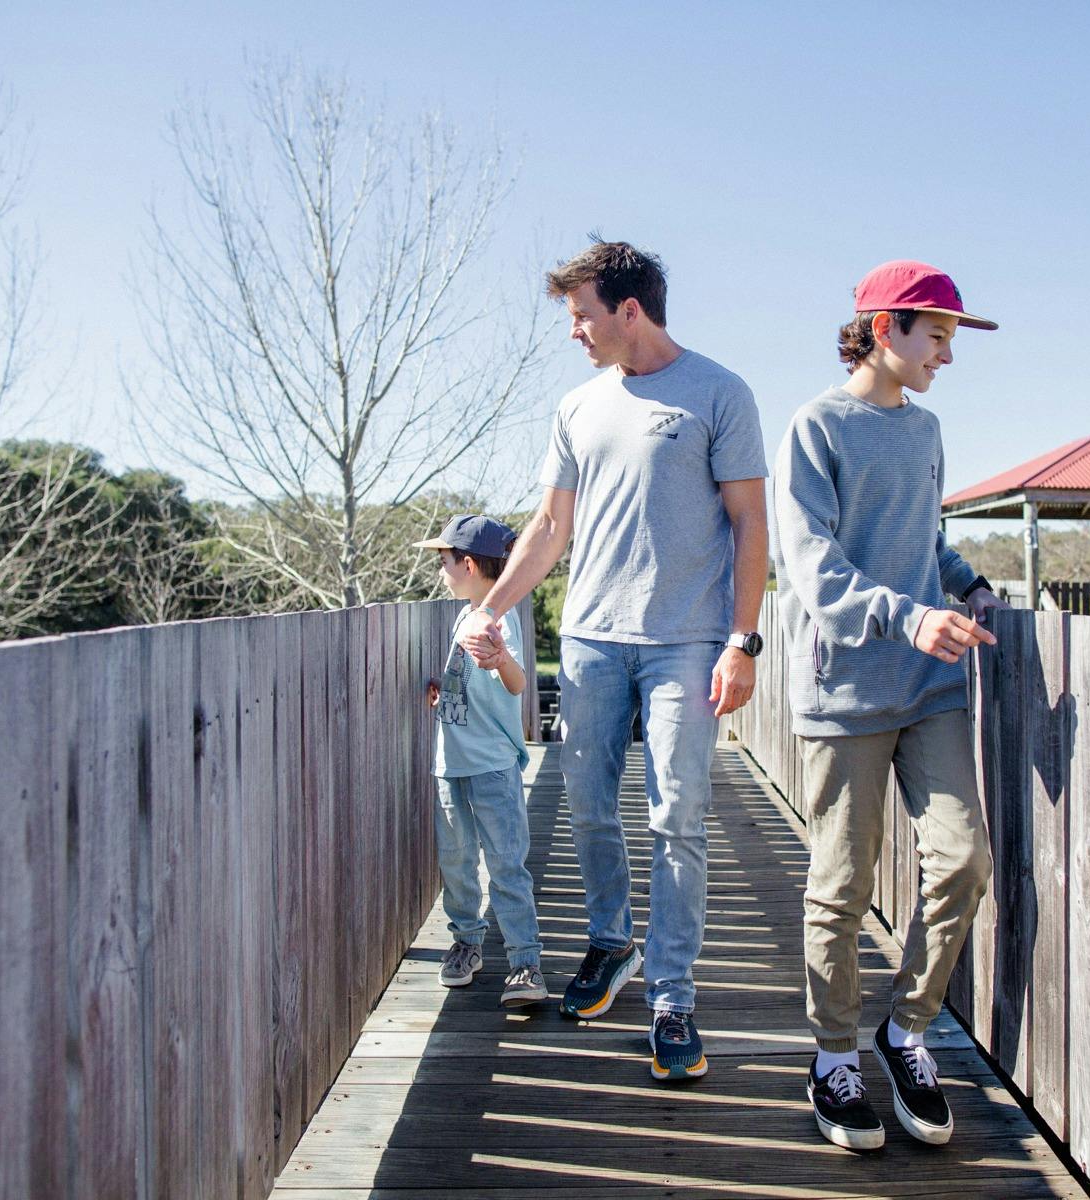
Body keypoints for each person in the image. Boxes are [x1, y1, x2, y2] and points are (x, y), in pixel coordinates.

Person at [456, 239, 769, 1081]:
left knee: (677, 816)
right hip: (591, 640)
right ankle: (610, 943)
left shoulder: (718, 392)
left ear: (630, 311)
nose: (574, 333)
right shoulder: (577, 407)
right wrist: (486, 610)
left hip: (688, 642)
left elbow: (751, 525)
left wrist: (742, 640)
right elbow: (549, 529)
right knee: (588, 805)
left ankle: (672, 992)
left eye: (582, 316)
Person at [771, 260, 1004, 1150]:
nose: (947, 354)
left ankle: (906, 1029)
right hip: (847, 688)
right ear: (884, 330)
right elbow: (812, 564)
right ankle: (833, 1057)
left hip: (931, 683)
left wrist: (969, 586)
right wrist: (906, 616)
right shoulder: (816, 426)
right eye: (936, 335)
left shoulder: (930, 428)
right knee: (843, 882)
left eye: (950, 338)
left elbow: (924, 541)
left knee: (962, 859)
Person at [417, 514, 546, 1008]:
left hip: (491, 766)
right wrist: (446, 693)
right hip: (451, 764)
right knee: (457, 861)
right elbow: (475, 684)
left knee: (505, 863)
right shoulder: (464, 613)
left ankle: (524, 960)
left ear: (468, 564)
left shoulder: (498, 616)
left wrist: (498, 661)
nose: (441, 572)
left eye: (445, 562)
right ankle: (467, 942)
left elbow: (515, 684)